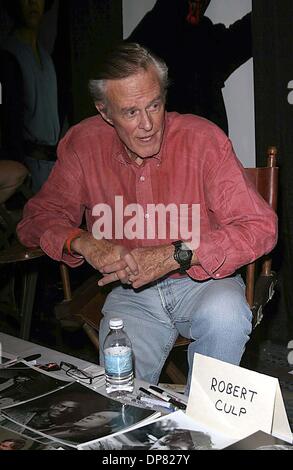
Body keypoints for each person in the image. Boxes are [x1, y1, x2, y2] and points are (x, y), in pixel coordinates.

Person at [17, 42, 277, 394]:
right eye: (130, 112)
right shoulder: (83, 144)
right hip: (130, 295)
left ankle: (207, 423)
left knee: (227, 315)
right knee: (118, 398)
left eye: (155, 105)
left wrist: (174, 253)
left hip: (204, 283)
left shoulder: (202, 140)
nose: (149, 125)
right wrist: (83, 241)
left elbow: (259, 227)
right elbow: (36, 218)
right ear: (105, 112)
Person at [127, 0, 251, 134]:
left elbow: (242, 38)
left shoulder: (203, 37)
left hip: (203, 145)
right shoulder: (156, 31)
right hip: (182, 143)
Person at [0, 0, 60, 193]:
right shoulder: (7, 56)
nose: (33, 3)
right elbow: (8, 123)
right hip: (26, 169)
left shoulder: (46, 58)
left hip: (51, 167)